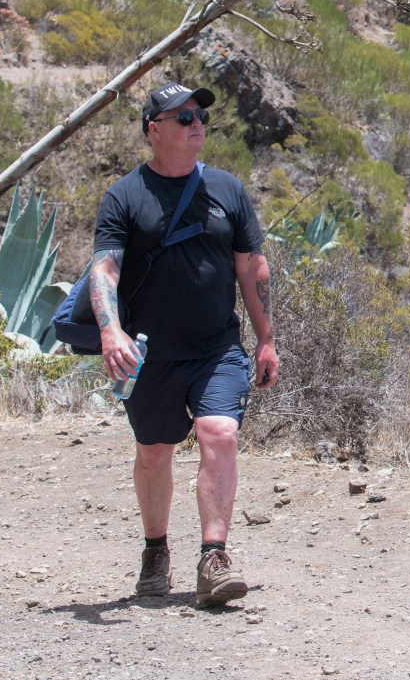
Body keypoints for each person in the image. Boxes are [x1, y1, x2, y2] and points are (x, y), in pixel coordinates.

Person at [88, 81, 279, 605]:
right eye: (184, 117)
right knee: (154, 452)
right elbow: (104, 267)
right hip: (151, 354)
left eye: (200, 117)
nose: (197, 125)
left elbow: (251, 267)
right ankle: (155, 551)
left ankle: (213, 557)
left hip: (216, 347)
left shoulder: (227, 189)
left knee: (219, 433)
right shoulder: (124, 196)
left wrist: (265, 340)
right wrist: (111, 330)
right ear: (155, 130)